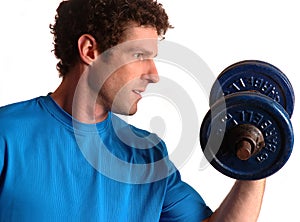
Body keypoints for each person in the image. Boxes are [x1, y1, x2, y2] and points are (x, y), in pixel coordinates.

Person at [0, 0, 265, 221]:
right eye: (139, 56)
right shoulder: (7, 136)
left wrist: (259, 159)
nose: (153, 75)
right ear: (90, 51)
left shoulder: (148, 156)